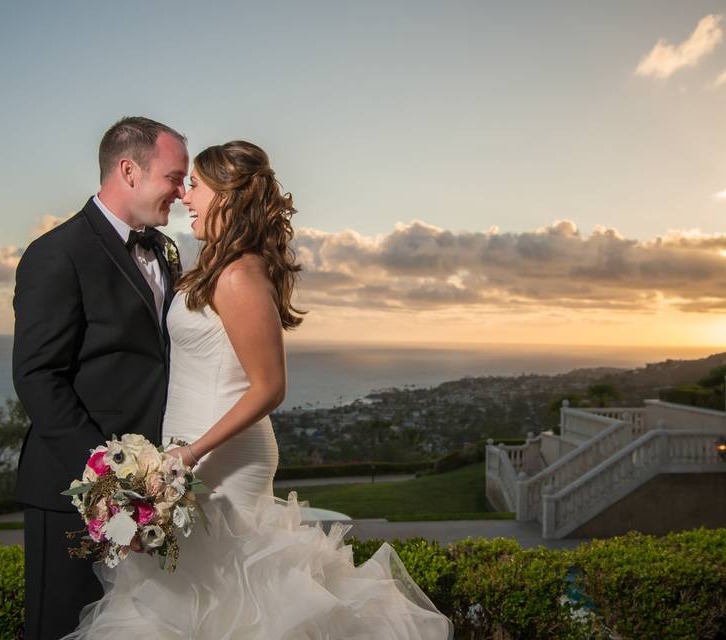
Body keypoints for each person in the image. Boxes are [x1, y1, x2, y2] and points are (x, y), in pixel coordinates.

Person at [64, 140, 454, 638]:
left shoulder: (239, 276)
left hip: (220, 460)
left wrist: (189, 454)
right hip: (190, 455)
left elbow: (270, 387)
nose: (186, 196)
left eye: (197, 186)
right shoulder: (213, 267)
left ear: (226, 197)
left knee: (232, 604)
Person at [12, 116, 188, 639]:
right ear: (129, 170)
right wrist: (109, 484)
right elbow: (38, 376)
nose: (182, 192)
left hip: (154, 489)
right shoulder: (57, 253)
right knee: (64, 628)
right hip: (76, 488)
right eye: (174, 178)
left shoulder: (164, 250)